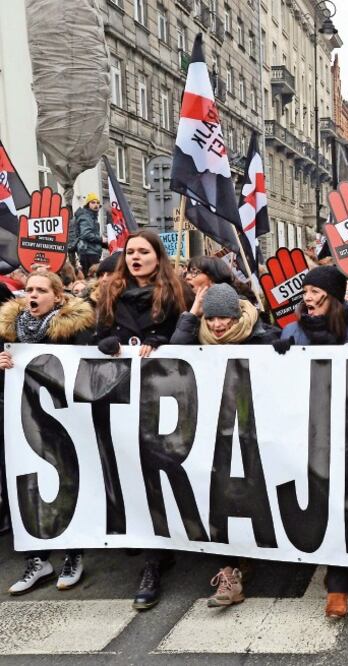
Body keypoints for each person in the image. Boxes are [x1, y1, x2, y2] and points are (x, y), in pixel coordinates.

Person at [92, 230, 191, 610]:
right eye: (130, 252)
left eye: (143, 252)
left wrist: (163, 346)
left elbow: (190, 336)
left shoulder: (176, 291)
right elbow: (98, 335)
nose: (135, 257)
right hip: (122, 394)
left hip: (166, 393)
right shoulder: (110, 293)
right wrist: (102, 343)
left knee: (162, 469)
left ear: (157, 256)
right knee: (131, 470)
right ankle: (152, 551)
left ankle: (160, 550)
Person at [167, 282, 278, 608]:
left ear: (236, 315)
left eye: (223, 318)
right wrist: (192, 314)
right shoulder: (198, 336)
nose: (216, 326)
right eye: (211, 318)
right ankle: (229, 574)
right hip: (213, 435)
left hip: (253, 435)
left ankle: (249, 559)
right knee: (220, 502)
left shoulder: (262, 337)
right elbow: (176, 352)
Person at [0, 272, 94, 594]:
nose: (33, 295)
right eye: (28, 290)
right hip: (22, 422)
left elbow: (86, 370)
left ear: (58, 295)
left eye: (41, 290)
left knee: (65, 482)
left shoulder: (74, 329)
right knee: (27, 487)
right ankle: (38, 559)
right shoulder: (9, 331)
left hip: (64, 421)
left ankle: (73, 553)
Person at [270, 265, 348, 618]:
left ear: (332, 298)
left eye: (316, 293)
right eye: (305, 293)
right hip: (305, 430)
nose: (308, 299)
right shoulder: (291, 330)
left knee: (345, 502)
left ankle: (339, 582)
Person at [73, 193, 104, 276]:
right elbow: (86, 234)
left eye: (97, 203)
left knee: (92, 277)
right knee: (91, 277)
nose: (96, 205)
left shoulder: (92, 217)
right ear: (87, 204)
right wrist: (101, 239)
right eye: (93, 202)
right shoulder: (86, 217)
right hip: (88, 252)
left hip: (91, 251)